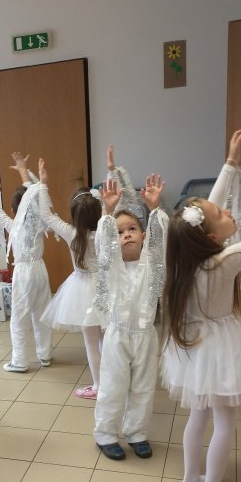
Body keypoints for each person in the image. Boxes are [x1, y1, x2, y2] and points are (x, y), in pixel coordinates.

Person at [162, 128, 241, 482]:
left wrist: (231, 163)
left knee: (199, 413)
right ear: (209, 234)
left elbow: (208, 207)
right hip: (220, 347)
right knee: (225, 421)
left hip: (195, 346)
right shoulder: (224, 262)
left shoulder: (188, 259)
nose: (228, 212)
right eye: (221, 215)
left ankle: (192, 478)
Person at [93, 168, 168, 460]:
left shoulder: (151, 261)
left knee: (143, 386)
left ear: (143, 234)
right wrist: (108, 213)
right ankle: (105, 434)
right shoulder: (113, 265)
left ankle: (136, 431)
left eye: (132, 230)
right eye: (120, 232)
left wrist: (155, 208)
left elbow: (161, 239)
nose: (126, 236)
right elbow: (104, 244)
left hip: (145, 336)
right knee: (113, 385)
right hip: (117, 334)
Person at [37, 158, 104, 399]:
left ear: (74, 214)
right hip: (106, 289)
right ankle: (113, 381)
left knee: (91, 342)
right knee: (107, 339)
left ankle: (98, 386)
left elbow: (45, 215)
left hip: (83, 290)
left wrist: (43, 184)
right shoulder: (106, 230)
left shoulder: (71, 232)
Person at [0, 153, 52, 372]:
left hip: (24, 272)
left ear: (14, 211)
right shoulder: (39, 222)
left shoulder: (13, 225)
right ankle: (45, 354)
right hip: (40, 269)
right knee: (42, 313)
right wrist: (24, 170)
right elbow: (32, 200)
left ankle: (20, 360)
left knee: (19, 317)